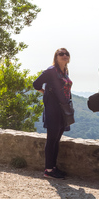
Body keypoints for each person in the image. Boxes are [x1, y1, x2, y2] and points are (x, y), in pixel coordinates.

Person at [33, 48, 73, 179]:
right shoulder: (51, 71)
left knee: (56, 140)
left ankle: (53, 168)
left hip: (63, 109)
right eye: (61, 54)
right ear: (56, 57)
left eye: (66, 53)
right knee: (51, 140)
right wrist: (45, 92)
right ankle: (48, 170)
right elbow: (36, 84)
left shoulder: (65, 71)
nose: (64, 55)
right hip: (53, 109)